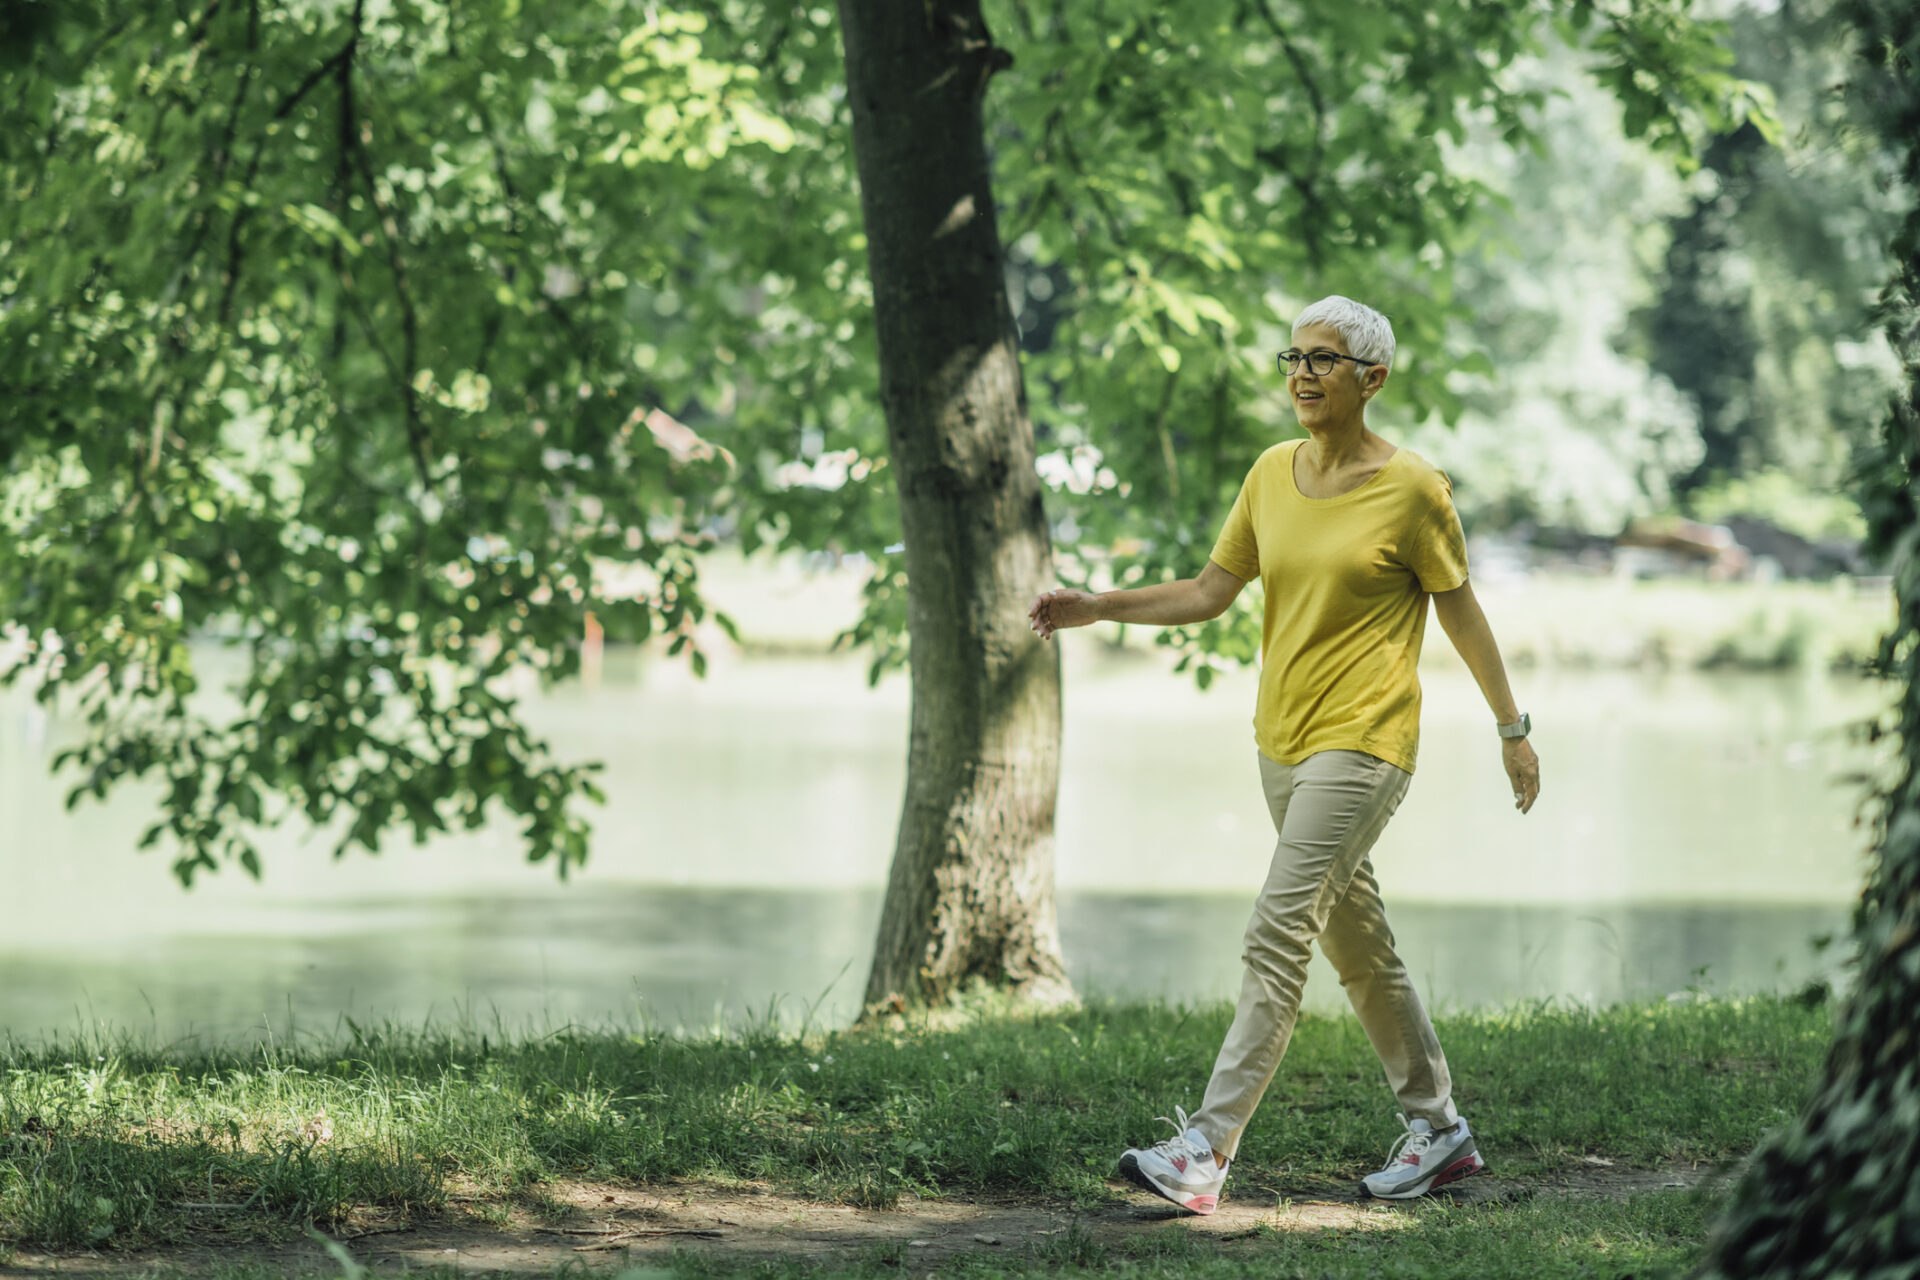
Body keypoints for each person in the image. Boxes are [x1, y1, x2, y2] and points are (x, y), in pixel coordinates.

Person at [1026, 295, 1541, 1211]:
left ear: (1372, 379)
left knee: (1279, 930)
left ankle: (1204, 1153)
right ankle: (1442, 1132)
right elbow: (1208, 590)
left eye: (1325, 359)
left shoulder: (1416, 489)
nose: (1302, 373)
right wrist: (1099, 605)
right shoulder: (1270, 474)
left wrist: (1513, 730)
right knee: (1360, 945)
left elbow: (1461, 610)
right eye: (1293, 356)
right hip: (1283, 744)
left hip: (1366, 743)